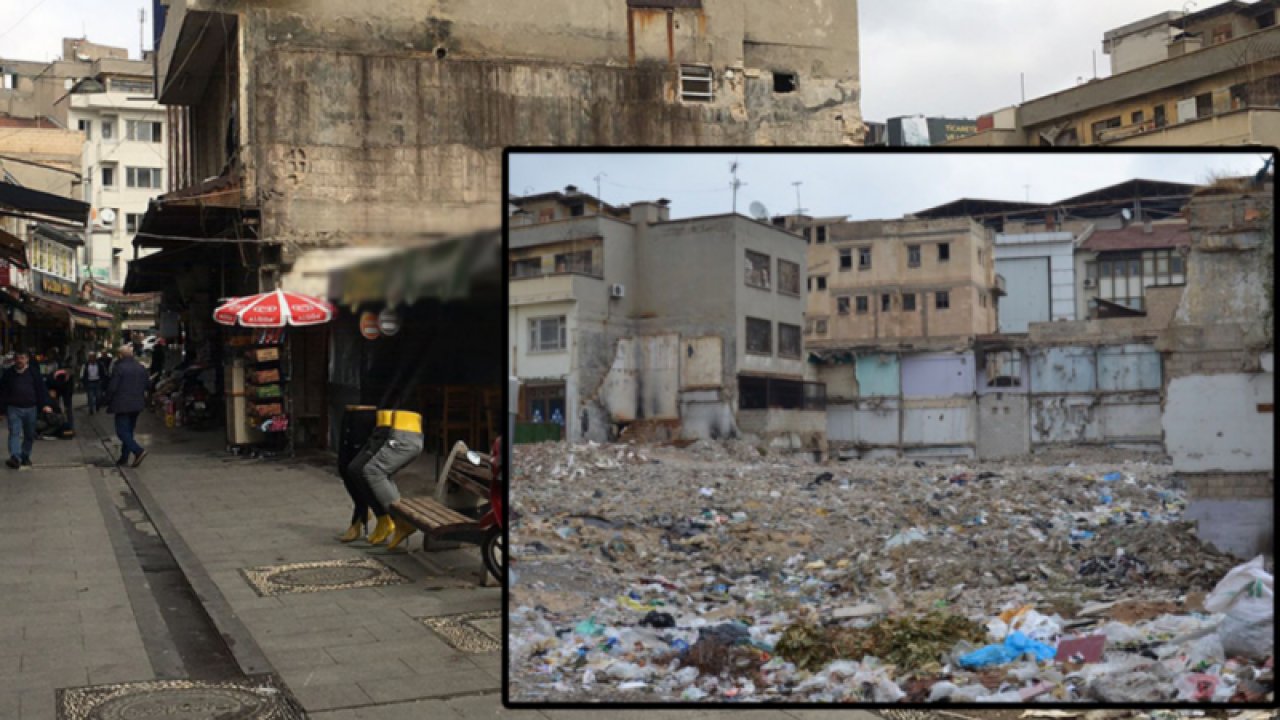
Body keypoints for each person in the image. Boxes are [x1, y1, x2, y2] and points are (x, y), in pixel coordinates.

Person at [0, 351, 53, 468]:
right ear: (14, 360)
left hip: (31, 409)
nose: (20, 360)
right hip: (14, 409)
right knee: (14, 432)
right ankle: (15, 457)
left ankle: (25, 456)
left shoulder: (33, 373)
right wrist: (1, 410)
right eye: (18, 358)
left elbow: (41, 389)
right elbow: (2, 392)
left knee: (29, 434)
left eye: (22, 358)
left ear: (27, 359)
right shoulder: (8, 374)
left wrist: (45, 404)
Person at [105, 345, 149, 467]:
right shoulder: (141, 367)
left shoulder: (119, 368)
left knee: (121, 432)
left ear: (120, 355)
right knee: (129, 431)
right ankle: (124, 457)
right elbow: (147, 384)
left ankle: (138, 451)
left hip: (122, 404)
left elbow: (112, 387)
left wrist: (106, 400)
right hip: (137, 404)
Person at [47, 365, 75, 433]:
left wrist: (69, 396)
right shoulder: (55, 374)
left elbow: (70, 387)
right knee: (56, 407)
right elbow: (50, 381)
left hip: (65, 390)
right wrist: (50, 391)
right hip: (56, 388)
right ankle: (58, 424)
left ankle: (70, 426)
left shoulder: (69, 377)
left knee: (68, 408)